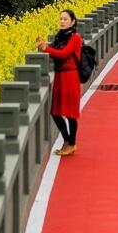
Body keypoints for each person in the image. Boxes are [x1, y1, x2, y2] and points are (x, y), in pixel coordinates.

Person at [36, 9, 82, 156]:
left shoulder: (75, 38)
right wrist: (44, 47)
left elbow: (63, 54)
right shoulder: (59, 37)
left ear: (73, 22)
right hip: (60, 77)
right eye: (61, 19)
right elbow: (55, 55)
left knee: (70, 114)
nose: (62, 21)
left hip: (70, 77)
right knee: (55, 112)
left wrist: (46, 49)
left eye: (65, 19)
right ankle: (67, 141)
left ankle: (72, 143)